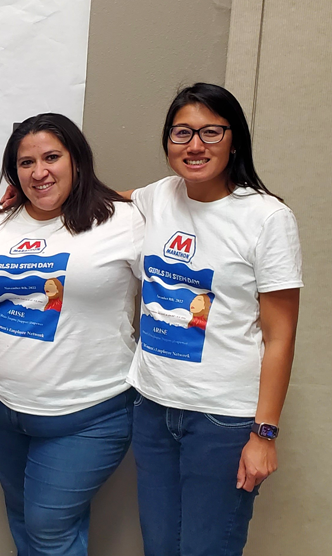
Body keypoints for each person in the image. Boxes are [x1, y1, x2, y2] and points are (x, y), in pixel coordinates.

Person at [0, 113, 143, 555]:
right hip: (1, 404)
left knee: (48, 526)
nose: (39, 172)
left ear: (77, 160)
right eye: (26, 163)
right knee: (24, 515)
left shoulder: (125, 221)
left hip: (89, 411)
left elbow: (178, 210)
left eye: (52, 157)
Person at [123, 83, 302, 556]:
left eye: (210, 132)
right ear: (167, 142)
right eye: (182, 132)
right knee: (159, 547)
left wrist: (264, 434)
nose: (195, 145)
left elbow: (280, 337)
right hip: (153, 406)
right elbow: (99, 201)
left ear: (234, 140)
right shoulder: (157, 196)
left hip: (222, 420)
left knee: (206, 549)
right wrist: (26, 198)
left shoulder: (266, 218)